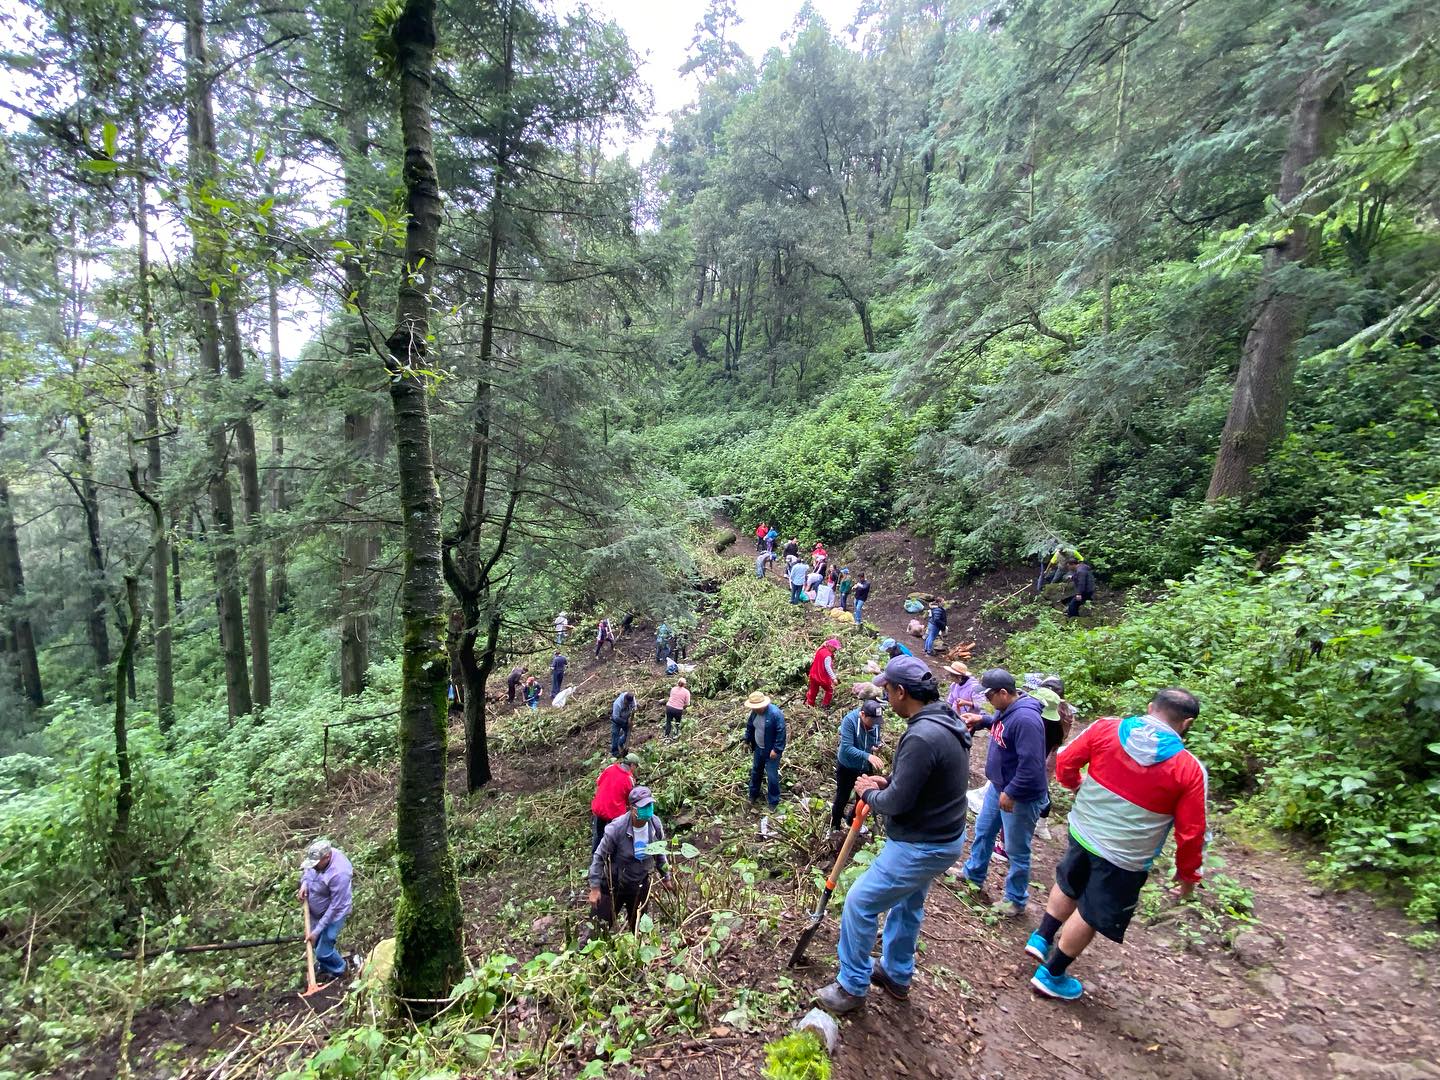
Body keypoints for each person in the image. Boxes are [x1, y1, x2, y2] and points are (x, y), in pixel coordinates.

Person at [814, 655, 971, 1013]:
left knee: (859, 903)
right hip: (943, 836)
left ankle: (852, 986)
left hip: (921, 842)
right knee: (908, 903)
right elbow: (920, 783)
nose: (886, 696)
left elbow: (897, 803)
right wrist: (889, 782)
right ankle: (897, 974)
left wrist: (871, 793)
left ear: (902, 692)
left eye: (888, 690)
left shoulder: (921, 735)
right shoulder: (944, 719)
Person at [1028, 689, 1207, 1001]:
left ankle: (1041, 937)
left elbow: (1066, 760)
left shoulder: (1106, 728)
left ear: (1151, 707)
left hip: (1083, 829)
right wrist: (1187, 876)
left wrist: (1074, 784)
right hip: (1126, 855)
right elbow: (1191, 833)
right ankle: (1052, 974)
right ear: (1187, 723)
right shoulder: (1188, 769)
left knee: (1069, 883)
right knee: (1091, 911)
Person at [956, 669, 1048, 916]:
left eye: (989, 696)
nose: (987, 700)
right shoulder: (1006, 710)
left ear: (1004, 693)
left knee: (1016, 849)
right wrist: (983, 720)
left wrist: (1013, 791)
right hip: (999, 787)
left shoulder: (1026, 720)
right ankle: (972, 874)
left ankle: (1015, 899)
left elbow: (1032, 764)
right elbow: (1001, 724)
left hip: (1020, 796)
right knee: (984, 831)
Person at [588, 786, 673, 931]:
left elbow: (660, 852)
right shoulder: (616, 828)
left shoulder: (655, 824)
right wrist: (595, 887)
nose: (648, 809)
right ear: (632, 809)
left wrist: (666, 876)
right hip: (613, 885)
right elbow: (599, 856)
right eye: (643, 806)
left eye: (650, 805)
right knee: (597, 931)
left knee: (639, 931)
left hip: (639, 884)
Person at [297, 838, 353, 982]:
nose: (314, 866)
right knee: (315, 944)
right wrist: (304, 883)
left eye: (316, 864)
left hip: (334, 914)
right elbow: (308, 870)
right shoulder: (318, 858)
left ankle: (342, 970)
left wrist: (317, 931)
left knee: (323, 952)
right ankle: (326, 968)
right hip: (316, 911)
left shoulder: (340, 873)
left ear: (327, 857)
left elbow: (335, 907)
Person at [832, 700, 884, 830]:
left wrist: (876, 747)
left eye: (877, 722)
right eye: (872, 721)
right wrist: (868, 755)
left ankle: (852, 821)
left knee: (863, 797)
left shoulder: (875, 722)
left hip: (864, 767)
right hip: (847, 766)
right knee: (842, 797)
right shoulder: (849, 721)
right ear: (862, 714)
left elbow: (875, 740)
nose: (875, 724)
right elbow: (847, 748)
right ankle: (835, 826)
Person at [743, 691, 786, 808]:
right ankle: (753, 795)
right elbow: (750, 726)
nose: (755, 709)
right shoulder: (754, 713)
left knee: (772, 776)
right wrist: (747, 740)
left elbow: (781, 732)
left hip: (770, 751)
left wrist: (776, 750)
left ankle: (773, 802)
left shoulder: (775, 714)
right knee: (756, 771)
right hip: (758, 748)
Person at [590, 753, 639, 851]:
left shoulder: (610, 768)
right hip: (614, 814)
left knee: (598, 836)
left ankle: (595, 859)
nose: (635, 769)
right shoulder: (629, 779)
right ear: (632, 765)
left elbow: (598, 782)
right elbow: (629, 800)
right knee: (613, 837)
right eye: (636, 766)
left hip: (599, 808)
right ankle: (610, 859)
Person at [807, 637, 841, 707]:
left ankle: (810, 704)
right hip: (821, 677)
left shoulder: (820, 650)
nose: (835, 650)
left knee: (813, 691)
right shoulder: (827, 656)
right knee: (830, 690)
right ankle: (825, 705)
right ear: (831, 647)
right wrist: (834, 678)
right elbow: (828, 667)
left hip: (813, 675)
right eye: (835, 648)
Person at [611, 691, 637, 756]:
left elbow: (634, 707)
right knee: (615, 734)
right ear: (624, 699)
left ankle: (620, 743)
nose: (628, 704)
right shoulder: (617, 704)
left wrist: (630, 719)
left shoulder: (632, 698)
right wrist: (625, 722)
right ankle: (615, 752)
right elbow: (615, 717)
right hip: (616, 720)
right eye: (627, 703)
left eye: (629, 703)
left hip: (626, 718)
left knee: (627, 733)